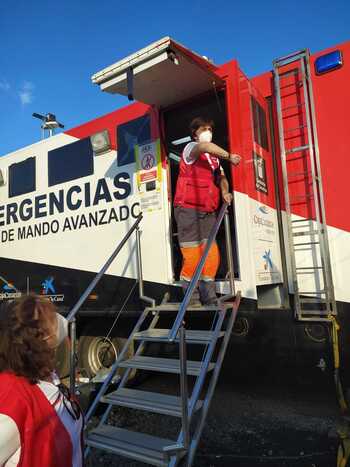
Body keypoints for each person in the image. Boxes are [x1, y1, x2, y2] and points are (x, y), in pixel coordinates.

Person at [0, 294, 83, 467]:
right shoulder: (12, 400)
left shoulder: (47, 374)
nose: (60, 320)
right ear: (38, 338)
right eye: (52, 318)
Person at [174, 117, 241, 305]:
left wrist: (225, 192)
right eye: (204, 129)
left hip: (207, 212)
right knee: (193, 256)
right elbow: (205, 147)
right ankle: (191, 298)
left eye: (210, 129)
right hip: (187, 210)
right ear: (195, 133)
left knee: (211, 256)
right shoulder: (191, 148)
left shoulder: (214, 161)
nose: (208, 131)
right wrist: (229, 156)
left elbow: (222, 178)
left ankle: (209, 297)